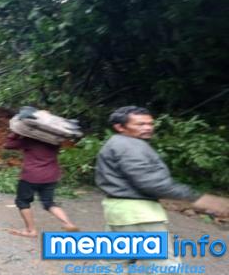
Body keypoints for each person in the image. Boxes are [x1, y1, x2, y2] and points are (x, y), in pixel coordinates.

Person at [96, 106, 229, 269]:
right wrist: (198, 198)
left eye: (150, 124)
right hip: (138, 214)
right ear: (119, 127)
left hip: (120, 212)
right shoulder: (129, 146)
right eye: (140, 124)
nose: (147, 128)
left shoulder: (119, 143)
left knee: (114, 264)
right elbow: (150, 182)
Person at [4, 130, 78, 237]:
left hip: (31, 176)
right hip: (51, 176)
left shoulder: (29, 140)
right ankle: (68, 223)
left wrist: (16, 133)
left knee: (23, 202)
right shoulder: (55, 141)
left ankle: (31, 231)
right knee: (48, 202)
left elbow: (8, 145)